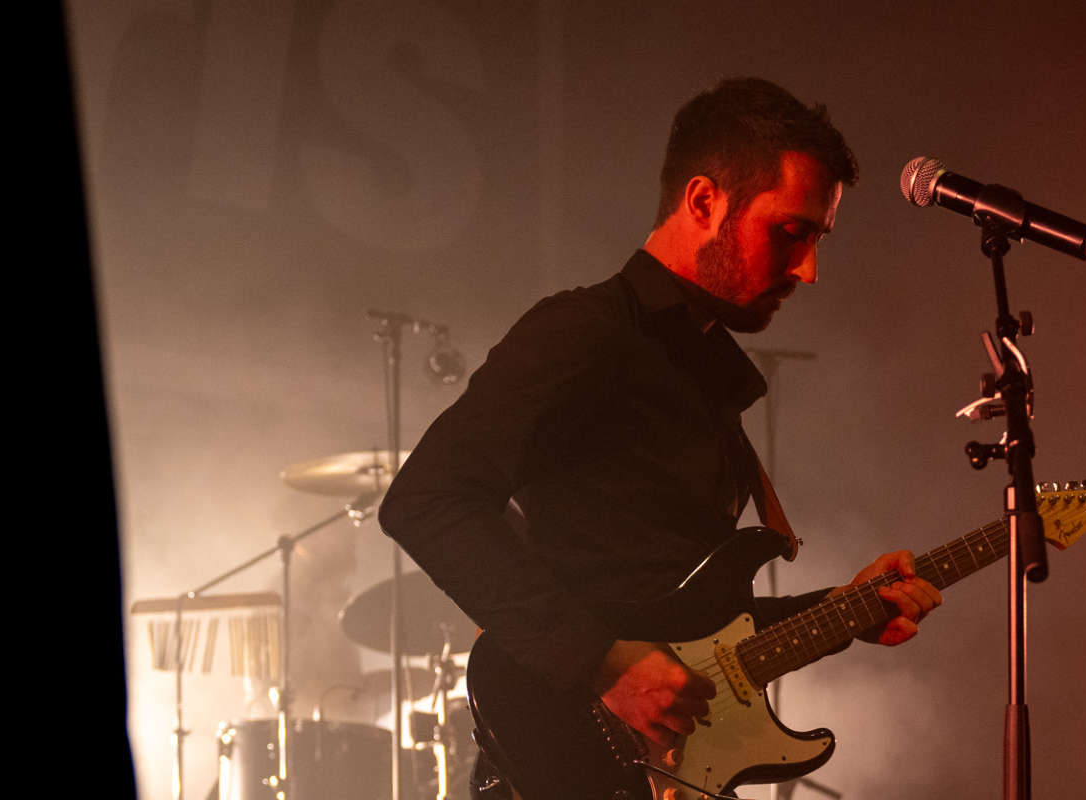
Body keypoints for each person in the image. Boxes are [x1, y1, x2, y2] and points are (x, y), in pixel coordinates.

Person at [380, 77, 942, 799]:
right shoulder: (587, 331)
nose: (808, 269)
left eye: (816, 239)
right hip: (564, 765)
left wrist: (844, 610)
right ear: (705, 202)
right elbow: (426, 498)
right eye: (790, 231)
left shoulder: (702, 369)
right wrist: (605, 666)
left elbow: (689, 628)